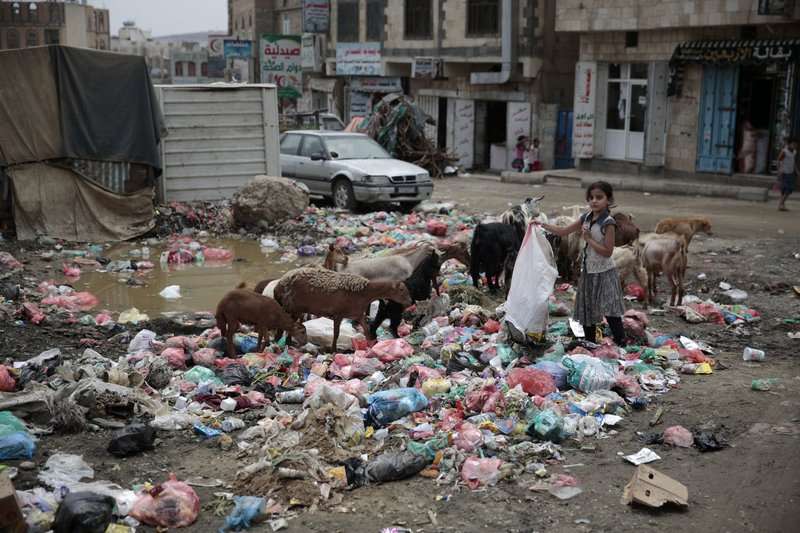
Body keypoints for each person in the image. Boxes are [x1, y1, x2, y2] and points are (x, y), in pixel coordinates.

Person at [535, 181, 627, 346]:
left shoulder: (608, 223)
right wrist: (542, 224)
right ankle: (590, 343)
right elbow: (564, 231)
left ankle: (621, 343)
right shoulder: (586, 217)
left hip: (605, 271)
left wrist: (589, 240)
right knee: (587, 310)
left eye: (599, 197)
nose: (594, 201)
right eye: (591, 198)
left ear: (608, 199)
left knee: (611, 310)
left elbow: (608, 251)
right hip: (588, 271)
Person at [777, 137, 797, 211]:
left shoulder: (794, 152)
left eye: (796, 145)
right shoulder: (784, 152)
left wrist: (797, 171)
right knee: (788, 189)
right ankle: (781, 204)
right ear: (789, 144)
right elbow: (778, 160)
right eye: (793, 144)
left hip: (791, 172)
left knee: (786, 190)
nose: (794, 146)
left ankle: (782, 205)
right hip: (784, 173)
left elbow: (793, 162)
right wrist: (779, 171)